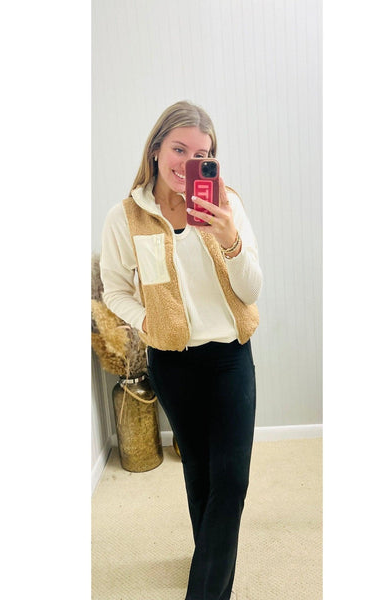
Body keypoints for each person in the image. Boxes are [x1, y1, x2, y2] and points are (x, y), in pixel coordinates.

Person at [100, 100, 262, 600]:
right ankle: (210, 566)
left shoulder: (227, 205)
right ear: (155, 149)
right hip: (172, 363)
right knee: (199, 472)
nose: (189, 161)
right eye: (179, 149)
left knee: (231, 481)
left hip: (230, 357)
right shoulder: (125, 217)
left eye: (202, 154)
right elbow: (114, 289)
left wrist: (229, 238)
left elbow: (252, 289)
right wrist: (145, 320)